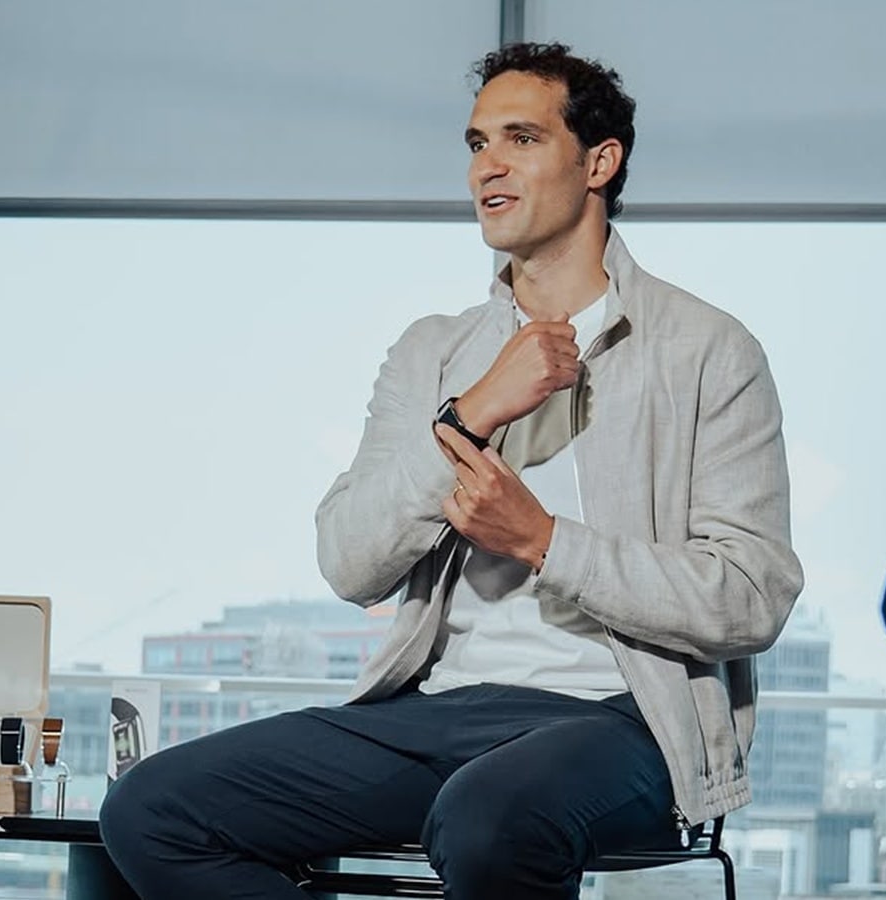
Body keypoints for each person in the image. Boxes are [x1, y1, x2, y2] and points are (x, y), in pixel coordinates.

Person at [98, 41, 804, 900]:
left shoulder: (708, 350)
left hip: (631, 722)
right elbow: (348, 563)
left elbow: (752, 596)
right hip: (439, 712)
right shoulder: (433, 353)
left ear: (600, 163)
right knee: (152, 809)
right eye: (476, 144)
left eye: (521, 138)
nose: (486, 167)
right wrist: (472, 412)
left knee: (489, 818)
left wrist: (546, 543)